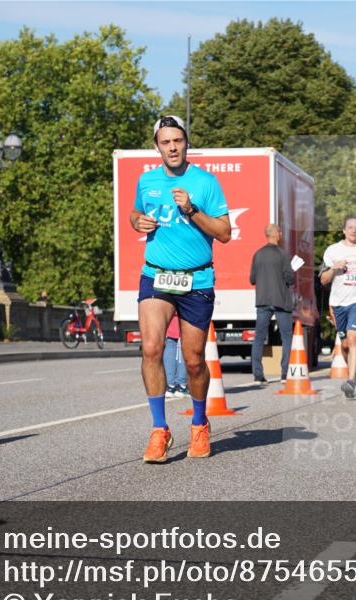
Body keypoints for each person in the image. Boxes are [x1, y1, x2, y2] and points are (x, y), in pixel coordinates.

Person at [130, 115, 231, 462]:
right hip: (156, 275)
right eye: (165, 142)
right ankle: (160, 430)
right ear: (157, 146)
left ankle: (199, 424)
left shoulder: (206, 182)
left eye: (178, 141)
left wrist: (191, 209)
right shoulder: (147, 181)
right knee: (151, 349)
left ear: (186, 143)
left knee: (193, 361)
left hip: (197, 279)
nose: (172, 147)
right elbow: (135, 214)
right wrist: (137, 222)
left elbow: (224, 232)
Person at [321, 216, 356, 398]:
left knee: (353, 339)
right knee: (344, 345)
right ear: (343, 230)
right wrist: (335, 268)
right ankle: (353, 371)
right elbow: (323, 279)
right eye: (349, 227)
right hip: (337, 303)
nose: (353, 230)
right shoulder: (333, 251)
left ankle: (350, 380)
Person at [250, 224, 296, 384]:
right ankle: (285, 373)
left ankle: (258, 375)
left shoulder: (257, 254)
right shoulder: (283, 255)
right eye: (280, 232)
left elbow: (252, 279)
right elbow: (290, 279)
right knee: (286, 337)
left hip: (262, 301)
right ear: (277, 234)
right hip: (281, 301)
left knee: (259, 337)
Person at [163, 313, 188, 397]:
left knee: (170, 344)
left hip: (170, 314)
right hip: (184, 314)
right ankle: (181, 386)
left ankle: (170, 386)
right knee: (182, 346)